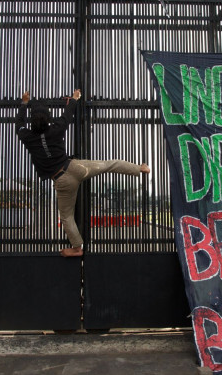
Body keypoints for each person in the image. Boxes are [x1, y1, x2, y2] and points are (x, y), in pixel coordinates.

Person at [15, 89, 150, 257]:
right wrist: (74, 99)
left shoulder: (27, 136)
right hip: (75, 168)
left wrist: (24, 103)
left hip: (61, 181)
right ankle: (139, 168)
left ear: (32, 120)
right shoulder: (56, 128)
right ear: (48, 118)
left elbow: (19, 124)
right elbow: (67, 115)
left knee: (67, 216)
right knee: (109, 164)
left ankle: (77, 248)